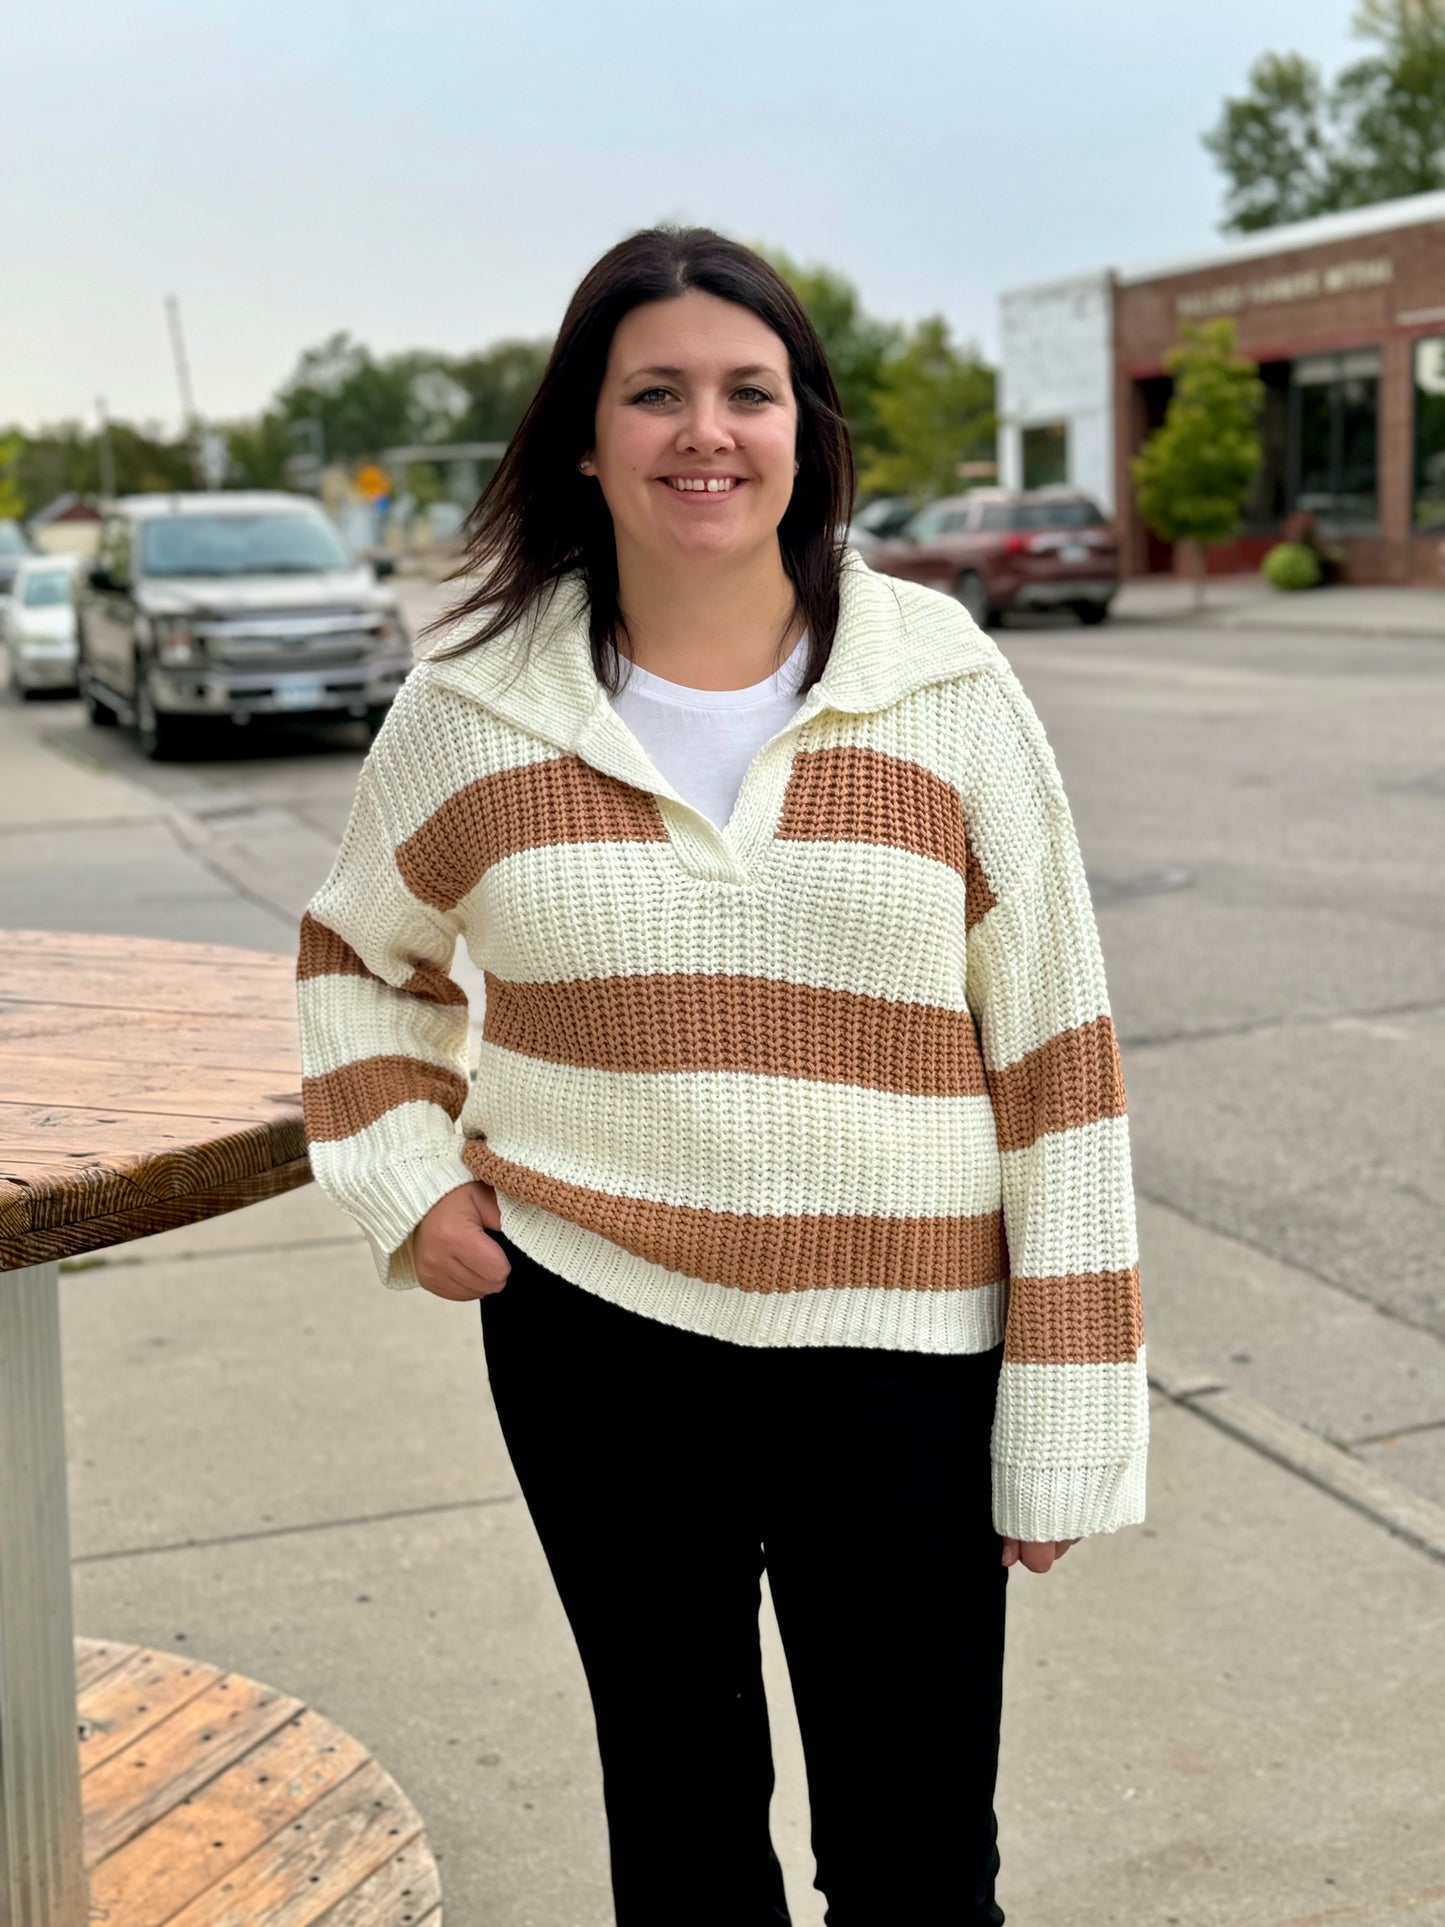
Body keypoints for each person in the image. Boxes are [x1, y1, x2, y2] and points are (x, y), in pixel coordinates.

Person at [296, 226, 1148, 1927]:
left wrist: (1067, 1411)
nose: (707, 431)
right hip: (598, 1345)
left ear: (804, 430)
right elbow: (356, 963)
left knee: (916, 1862)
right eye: (656, 392)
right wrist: (407, 1181)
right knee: (680, 1833)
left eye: (747, 391)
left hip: (901, 1369)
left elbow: (1058, 1057)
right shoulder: (472, 711)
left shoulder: (942, 685)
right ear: (586, 436)